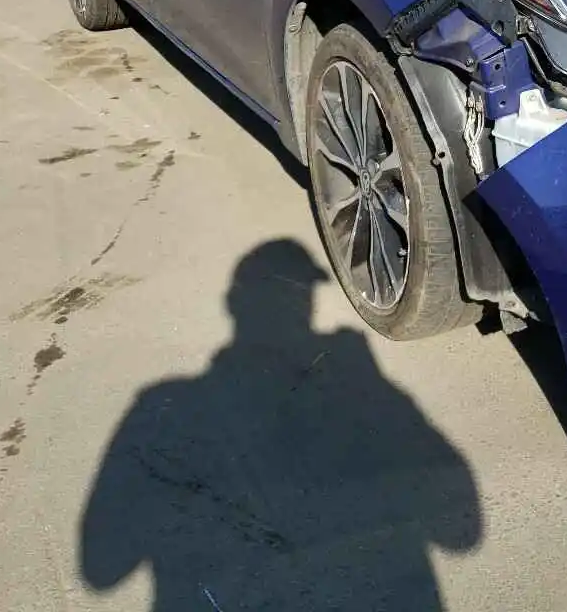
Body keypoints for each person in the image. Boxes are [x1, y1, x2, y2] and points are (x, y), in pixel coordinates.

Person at [81, 239, 481, 611]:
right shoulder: (362, 382)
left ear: (233, 304)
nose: (303, 304)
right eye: (298, 294)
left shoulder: (158, 406)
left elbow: (102, 569)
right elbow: (462, 535)